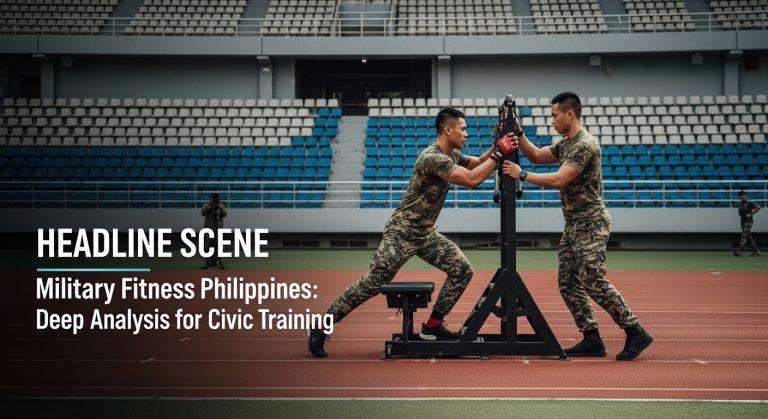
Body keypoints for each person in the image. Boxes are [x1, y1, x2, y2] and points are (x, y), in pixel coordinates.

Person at [308, 107, 517, 357]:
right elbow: (472, 179)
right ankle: (321, 326)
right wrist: (499, 152)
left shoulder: (451, 154)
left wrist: (497, 145)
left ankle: (433, 326)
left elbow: (478, 162)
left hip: (426, 234)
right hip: (402, 233)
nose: (466, 134)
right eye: (462, 129)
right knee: (373, 283)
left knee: (462, 269)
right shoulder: (432, 157)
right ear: (447, 130)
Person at [500, 92, 653, 361]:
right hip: (574, 224)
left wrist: (521, 174)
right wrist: (519, 134)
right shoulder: (567, 143)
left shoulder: (584, 144)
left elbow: (560, 179)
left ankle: (635, 330)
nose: (552, 121)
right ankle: (591, 337)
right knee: (568, 282)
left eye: (554, 115)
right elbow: (536, 155)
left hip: (591, 222)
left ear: (570, 114)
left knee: (593, 280)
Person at [201, 193, 227, 269]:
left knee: (219, 246)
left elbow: (225, 214)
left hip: (218, 229)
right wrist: (209, 207)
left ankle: (220, 262)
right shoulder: (207, 205)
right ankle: (207, 262)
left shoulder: (220, 206)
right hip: (208, 229)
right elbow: (202, 213)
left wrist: (219, 207)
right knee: (207, 246)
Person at [734, 190, 760, 256]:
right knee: (748, 236)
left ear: (746, 196)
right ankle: (756, 251)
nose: (743, 197)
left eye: (744, 196)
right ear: (740, 197)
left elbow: (758, 207)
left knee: (744, 235)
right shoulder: (739, 204)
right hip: (742, 221)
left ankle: (739, 251)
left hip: (749, 221)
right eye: (742, 196)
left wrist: (751, 214)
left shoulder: (750, 203)